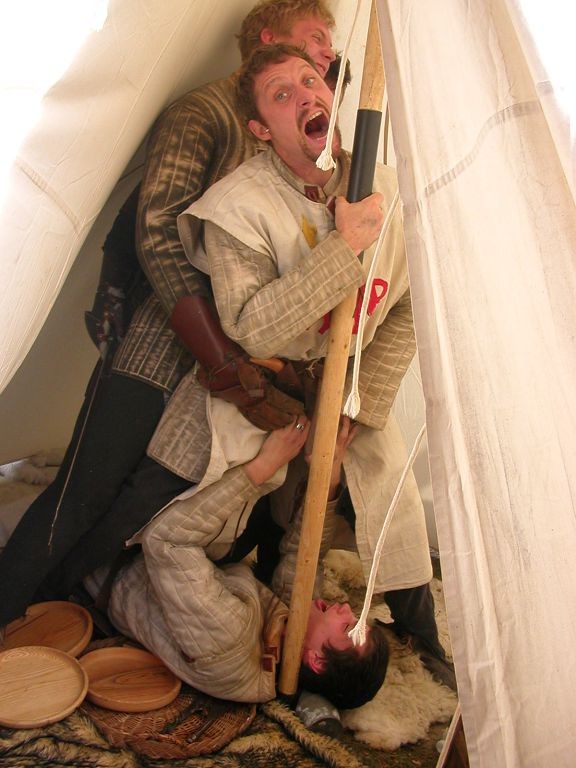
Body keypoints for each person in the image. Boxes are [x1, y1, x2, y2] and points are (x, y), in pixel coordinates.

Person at [0, 0, 337, 638]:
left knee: (136, 509)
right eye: (313, 37)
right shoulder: (204, 111)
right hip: (163, 344)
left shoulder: (303, 137)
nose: (325, 53)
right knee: (85, 491)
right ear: (269, 38)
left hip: (223, 370)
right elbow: (156, 228)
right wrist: (216, 353)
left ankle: (53, 619)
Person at [151, 43, 455, 689]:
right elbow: (251, 325)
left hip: (344, 383)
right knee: (224, 498)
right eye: (281, 94)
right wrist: (345, 244)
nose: (306, 96)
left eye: (311, 81)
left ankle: (420, 629)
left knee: (389, 495)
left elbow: (413, 304)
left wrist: (359, 403)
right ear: (261, 129)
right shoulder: (238, 207)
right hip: (263, 388)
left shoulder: (389, 191)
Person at [109, 415, 390, 708]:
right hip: (190, 561)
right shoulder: (286, 644)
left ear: (317, 660)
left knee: (226, 446)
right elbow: (305, 557)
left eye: (347, 628)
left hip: (117, 554)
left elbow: (165, 542)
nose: (345, 608)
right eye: (356, 618)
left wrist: (263, 467)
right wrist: (328, 474)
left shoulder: (231, 637)